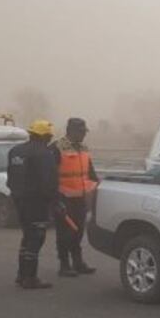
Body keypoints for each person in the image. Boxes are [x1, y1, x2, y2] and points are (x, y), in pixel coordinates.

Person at [6, 120, 58, 289]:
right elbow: (48, 181)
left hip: (19, 201)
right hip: (37, 202)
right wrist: (54, 201)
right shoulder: (44, 153)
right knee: (36, 238)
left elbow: (10, 178)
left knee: (27, 236)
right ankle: (30, 278)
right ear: (45, 136)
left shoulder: (15, 151)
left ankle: (21, 275)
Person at [51, 117, 99, 277]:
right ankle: (64, 264)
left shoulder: (84, 148)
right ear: (71, 131)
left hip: (80, 198)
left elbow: (89, 171)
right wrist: (55, 199)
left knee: (78, 231)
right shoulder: (57, 147)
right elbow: (49, 175)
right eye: (81, 132)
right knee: (65, 233)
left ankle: (78, 262)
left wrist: (97, 185)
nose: (83, 135)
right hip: (63, 198)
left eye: (84, 132)